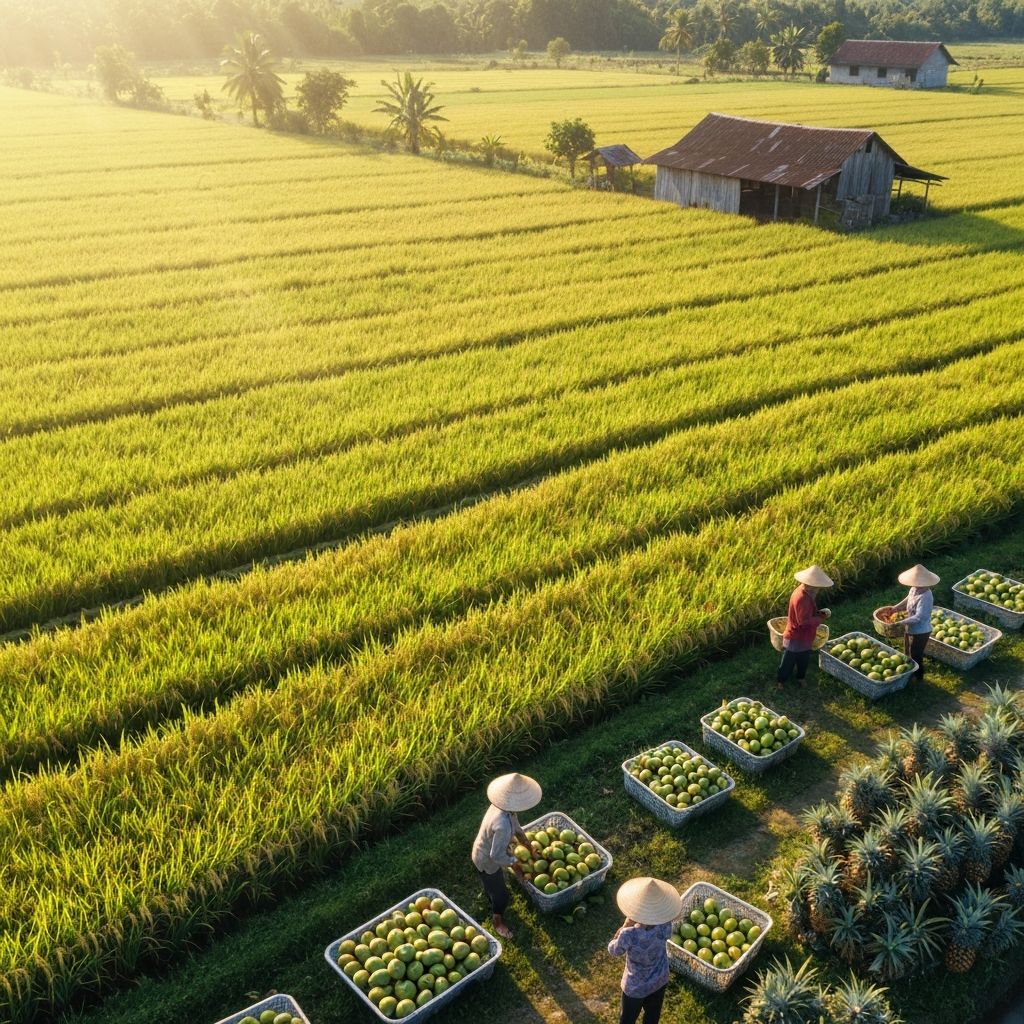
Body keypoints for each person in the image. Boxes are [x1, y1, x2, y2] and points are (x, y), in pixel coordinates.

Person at [471, 772, 541, 940]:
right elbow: (495, 855)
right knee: (502, 895)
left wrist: (528, 846)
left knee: (491, 886)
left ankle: (491, 897)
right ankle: (497, 920)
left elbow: (516, 827)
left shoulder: (503, 808)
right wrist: (515, 863)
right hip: (486, 860)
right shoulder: (502, 825)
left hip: (482, 850)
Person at [607, 876, 681, 1024]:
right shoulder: (665, 925)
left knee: (628, 1018)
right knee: (652, 1016)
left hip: (636, 987)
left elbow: (613, 950)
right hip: (659, 979)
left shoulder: (629, 934)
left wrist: (626, 925)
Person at [777, 565, 833, 689]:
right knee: (788, 660)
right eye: (818, 587)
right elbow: (803, 621)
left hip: (805, 636)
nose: (818, 589)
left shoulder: (806, 593)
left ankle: (800, 677)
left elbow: (807, 614)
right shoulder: (802, 598)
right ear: (812, 585)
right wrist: (820, 618)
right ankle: (781, 680)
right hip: (796, 635)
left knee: (804, 658)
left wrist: (818, 613)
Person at [889, 563, 939, 681]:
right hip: (910, 626)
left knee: (916, 653)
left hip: (922, 630)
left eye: (922, 585)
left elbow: (919, 617)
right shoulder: (914, 588)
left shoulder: (926, 597)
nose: (918, 587)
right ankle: (909, 669)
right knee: (908, 648)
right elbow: (908, 599)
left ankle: (919, 675)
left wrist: (901, 622)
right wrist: (896, 607)